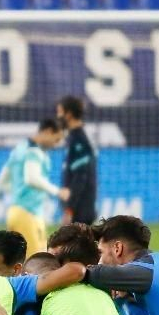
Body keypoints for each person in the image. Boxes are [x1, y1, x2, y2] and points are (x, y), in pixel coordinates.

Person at [0, 118, 68, 259]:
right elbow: (31, 178)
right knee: (35, 261)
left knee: (17, 260)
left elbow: (6, 172)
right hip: (28, 213)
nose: (56, 144)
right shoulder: (35, 151)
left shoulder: (21, 147)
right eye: (56, 139)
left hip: (16, 211)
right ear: (48, 132)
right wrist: (57, 191)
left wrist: (2, 190)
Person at [56, 95, 97, 225]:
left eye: (60, 112)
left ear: (68, 114)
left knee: (74, 245)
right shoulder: (73, 138)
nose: (58, 117)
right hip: (78, 210)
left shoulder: (79, 140)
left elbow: (80, 177)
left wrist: (69, 209)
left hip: (80, 211)